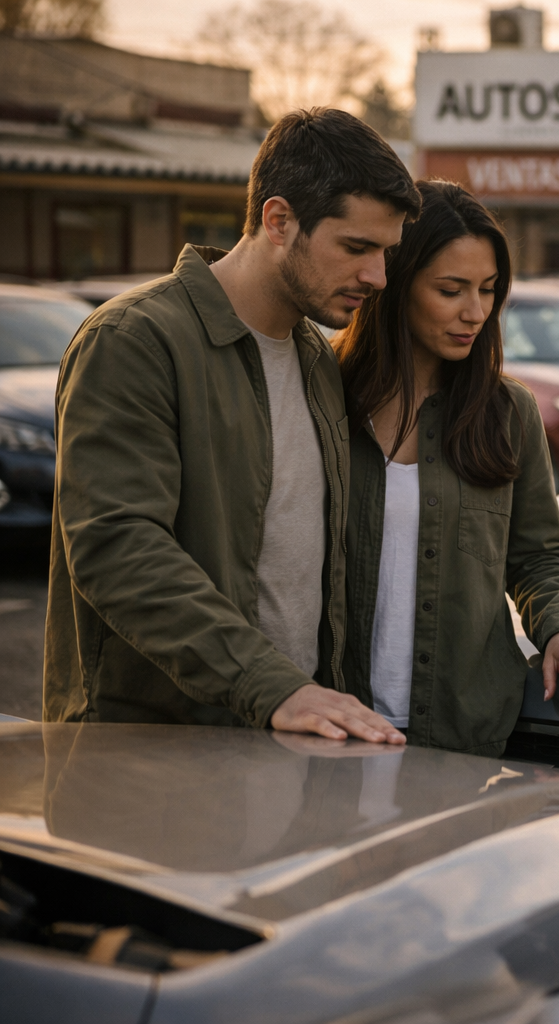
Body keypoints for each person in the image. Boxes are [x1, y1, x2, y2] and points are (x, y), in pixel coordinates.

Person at [45, 108, 419, 744]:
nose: (377, 277)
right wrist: (271, 686)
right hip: (150, 764)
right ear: (278, 221)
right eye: (356, 248)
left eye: (385, 252)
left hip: (289, 742)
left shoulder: (314, 357)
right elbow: (117, 548)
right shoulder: (135, 340)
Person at [333, 180, 559, 755]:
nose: (475, 312)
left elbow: (537, 556)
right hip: (333, 723)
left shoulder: (508, 412)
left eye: (489, 290)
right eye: (451, 289)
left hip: (462, 734)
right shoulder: (324, 396)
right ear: (395, 281)